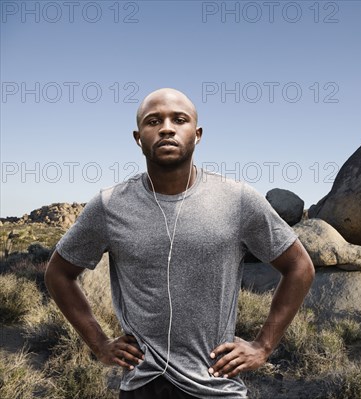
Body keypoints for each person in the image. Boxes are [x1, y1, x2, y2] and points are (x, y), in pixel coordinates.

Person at [45, 88, 315, 398]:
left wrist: (263, 346)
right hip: (143, 384)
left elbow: (299, 267)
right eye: (154, 120)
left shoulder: (237, 199)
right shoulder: (109, 206)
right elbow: (58, 273)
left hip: (216, 384)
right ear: (138, 137)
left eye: (180, 119)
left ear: (197, 134)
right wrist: (100, 344)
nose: (167, 127)